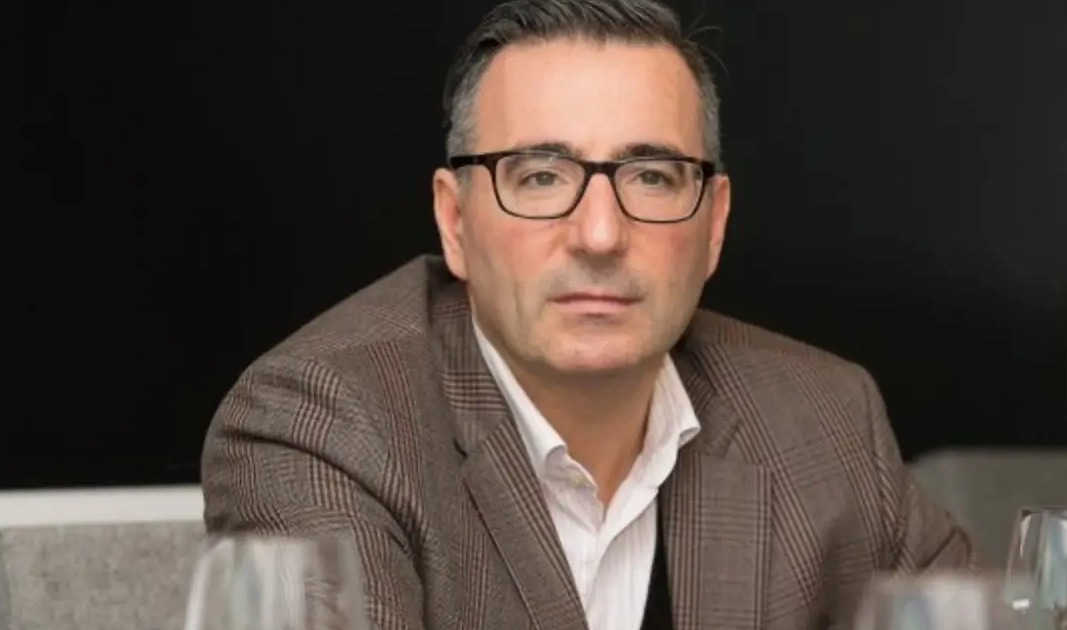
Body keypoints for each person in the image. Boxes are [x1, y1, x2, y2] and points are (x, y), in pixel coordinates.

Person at [200, 1, 976, 629]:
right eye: (540, 177)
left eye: (651, 176)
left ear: (713, 224)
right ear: (455, 222)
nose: (600, 234)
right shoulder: (322, 425)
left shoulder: (825, 423)